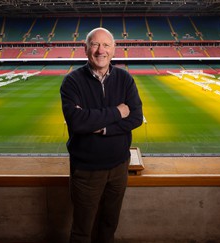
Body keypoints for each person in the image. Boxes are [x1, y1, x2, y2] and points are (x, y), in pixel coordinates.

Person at [60, 27, 143, 243]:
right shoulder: (72, 82)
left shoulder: (125, 79)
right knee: (82, 231)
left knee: (108, 226)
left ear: (114, 50)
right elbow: (78, 122)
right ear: (86, 49)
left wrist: (101, 127)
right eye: (95, 44)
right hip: (87, 170)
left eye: (106, 45)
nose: (100, 50)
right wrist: (117, 112)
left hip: (119, 167)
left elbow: (135, 118)